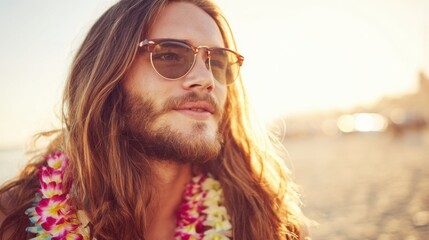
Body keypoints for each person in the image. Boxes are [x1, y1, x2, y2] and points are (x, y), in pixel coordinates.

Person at [0, 0, 307, 239]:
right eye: (170, 55)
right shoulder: (11, 223)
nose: (205, 79)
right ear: (110, 75)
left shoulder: (268, 224)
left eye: (218, 61)